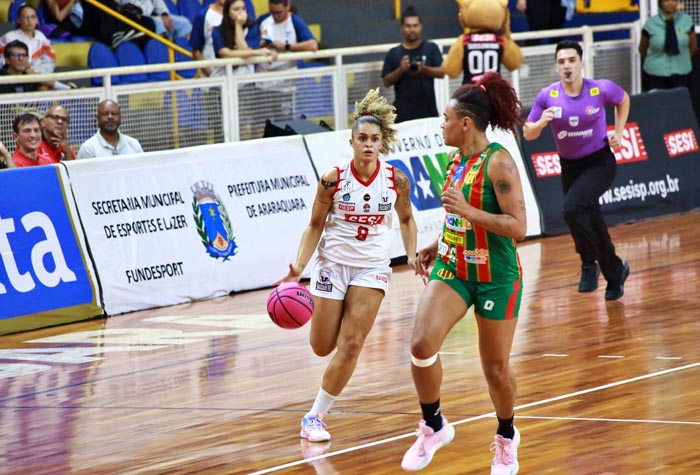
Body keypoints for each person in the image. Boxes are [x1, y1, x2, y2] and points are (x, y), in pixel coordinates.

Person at [274, 88, 421, 443]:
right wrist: (299, 268)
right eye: (362, 139)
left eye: (374, 139)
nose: (368, 145)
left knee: (353, 343)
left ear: (382, 142)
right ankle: (335, 328)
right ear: (351, 141)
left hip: (372, 267)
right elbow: (315, 226)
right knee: (322, 346)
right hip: (332, 265)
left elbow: (406, 220)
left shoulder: (396, 179)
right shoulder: (332, 178)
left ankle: (314, 417)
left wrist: (413, 255)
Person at [400, 71, 527, 474]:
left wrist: (470, 211)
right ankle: (433, 425)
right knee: (421, 345)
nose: (442, 124)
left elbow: (518, 228)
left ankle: (507, 437)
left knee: (495, 370)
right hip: (453, 265)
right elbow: (460, 216)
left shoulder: (499, 162)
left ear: (466, 123)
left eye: (446, 118)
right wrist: (438, 244)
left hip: (496, 275)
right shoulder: (457, 161)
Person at [523, 40, 630, 300]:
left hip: (599, 162)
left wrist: (618, 131)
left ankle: (587, 264)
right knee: (592, 218)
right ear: (556, 67)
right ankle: (615, 273)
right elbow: (528, 133)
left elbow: (623, 99)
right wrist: (540, 124)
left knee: (571, 208)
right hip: (569, 166)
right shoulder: (547, 95)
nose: (567, 66)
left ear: (581, 63)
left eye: (571, 60)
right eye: (561, 62)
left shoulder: (599, 89)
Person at [381, 6, 443, 123]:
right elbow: (386, 82)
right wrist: (401, 69)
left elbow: (442, 72)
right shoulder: (393, 53)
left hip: (428, 113)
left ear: (421, 27)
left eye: (415, 26)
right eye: (408, 26)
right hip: (402, 116)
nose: (412, 29)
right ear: (402, 28)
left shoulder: (431, 48)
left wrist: (423, 69)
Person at [638, 0, 697, 92]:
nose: (670, 3)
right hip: (655, 74)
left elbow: (693, 46)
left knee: (679, 104)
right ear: (660, 2)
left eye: (673, 0)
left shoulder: (687, 21)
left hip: (682, 72)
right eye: (666, 0)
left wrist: (683, 59)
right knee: (657, 104)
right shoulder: (651, 23)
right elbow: (642, 48)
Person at [213, 0, 276, 75]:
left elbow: (245, 50)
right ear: (227, 13)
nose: (241, 12)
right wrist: (257, 52)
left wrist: (238, 26)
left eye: (243, 9)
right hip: (223, 78)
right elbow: (226, 54)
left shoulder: (252, 28)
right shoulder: (218, 31)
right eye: (236, 9)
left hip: (245, 77)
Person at [77, 100, 144, 158]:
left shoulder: (133, 144)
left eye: (114, 113)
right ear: (97, 118)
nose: (110, 117)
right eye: (105, 114)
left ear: (120, 117)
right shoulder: (88, 148)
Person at [122, 0, 192, 40]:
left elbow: (158, 3)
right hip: (135, 19)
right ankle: (162, 53)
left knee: (184, 24)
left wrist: (165, 15)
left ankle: (178, 53)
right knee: (159, 25)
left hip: (152, 17)